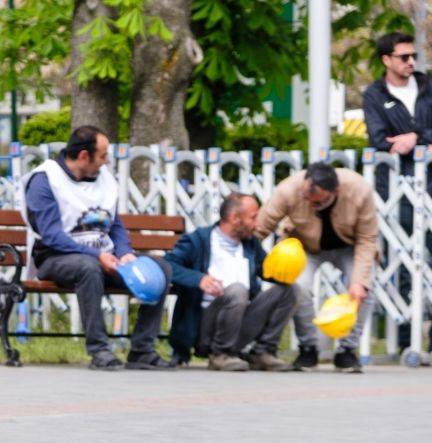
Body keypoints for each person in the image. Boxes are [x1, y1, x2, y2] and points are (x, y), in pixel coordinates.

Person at [22, 125, 174, 370]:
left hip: (106, 257)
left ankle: (142, 350)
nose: (106, 162)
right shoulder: (44, 180)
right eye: (103, 156)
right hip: (57, 258)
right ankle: (99, 350)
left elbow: (114, 224)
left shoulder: (103, 179)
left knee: (161, 268)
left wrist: (125, 252)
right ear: (84, 156)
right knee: (88, 267)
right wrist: (97, 255)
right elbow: (51, 236)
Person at [254, 162, 379, 373]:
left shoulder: (360, 190)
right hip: (304, 245)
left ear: (335, 192)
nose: (311, 205)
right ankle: (308, 348)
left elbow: (367, 239)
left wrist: (359, 282)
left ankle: (347, 351)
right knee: (298, 288)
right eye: (306, 199)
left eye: (318, 202)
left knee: (364, 289)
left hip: (349, 244)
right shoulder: (287, 190)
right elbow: (260, 229)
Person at [164, 193, 295, 371]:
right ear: (234, 218)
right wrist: (199, 279)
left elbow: (269, 272)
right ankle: (220, 354)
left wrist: (287, 261)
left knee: (288, 290)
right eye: (253, 217)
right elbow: (168, 264)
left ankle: (263, 352)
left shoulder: (250, 245)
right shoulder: (199, 240)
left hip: (240, 323)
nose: (257, 224)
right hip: (204, 326)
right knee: (237, 290)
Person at [362, 31, 432, 353]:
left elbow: (408, 138)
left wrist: (414, 137)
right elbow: (379, 139)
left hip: (429, 181)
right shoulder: (374, 95)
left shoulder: (428, 87)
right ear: (386, 60)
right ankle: (407, 339)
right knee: (403, 260)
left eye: (412, 56)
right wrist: (418, 140)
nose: (411, 62)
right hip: (396, 188)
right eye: (404, 57)